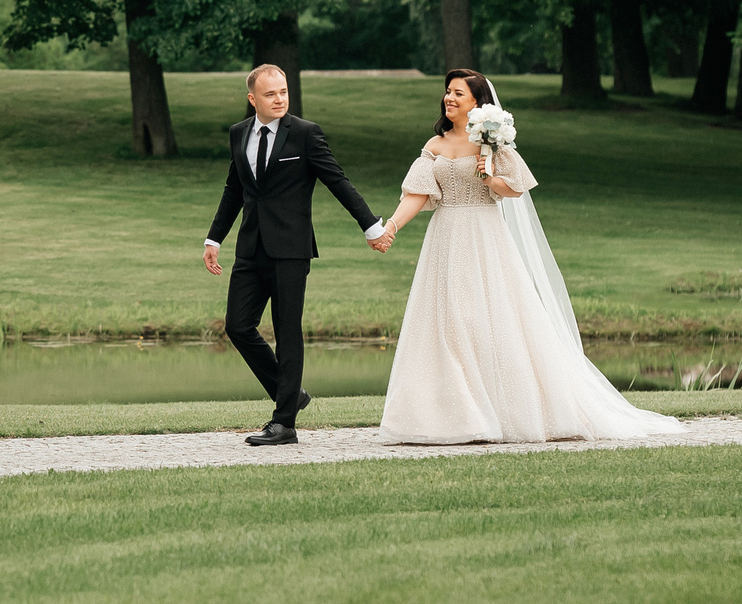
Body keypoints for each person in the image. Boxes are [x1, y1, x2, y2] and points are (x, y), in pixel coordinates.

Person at [375, 70, 685, 444]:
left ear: (477, 103)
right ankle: (452, 417)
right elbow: (418, 194)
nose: (449, 98)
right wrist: (391, 226)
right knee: (447, 319)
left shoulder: (492, 144)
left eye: (458, 93)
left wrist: (489, 176)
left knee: (487, 319)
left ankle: (504, 411)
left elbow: (515, 189)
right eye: (447, 92)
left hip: (484, 235)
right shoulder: (435, 145)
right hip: (445, 237)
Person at [204, 64, 392, 446]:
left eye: (284, 92)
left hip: (291, 250)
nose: (279, 99)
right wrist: (214, 238)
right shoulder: (239, 133)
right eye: (270, 94)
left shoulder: (305, 134)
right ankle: (291, 392)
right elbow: (233, 188)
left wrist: (371, 226)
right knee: (238, 326)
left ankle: (284, 422)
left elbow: (337, 180)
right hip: (250, 248)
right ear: (252, 99)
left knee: (288, 331)